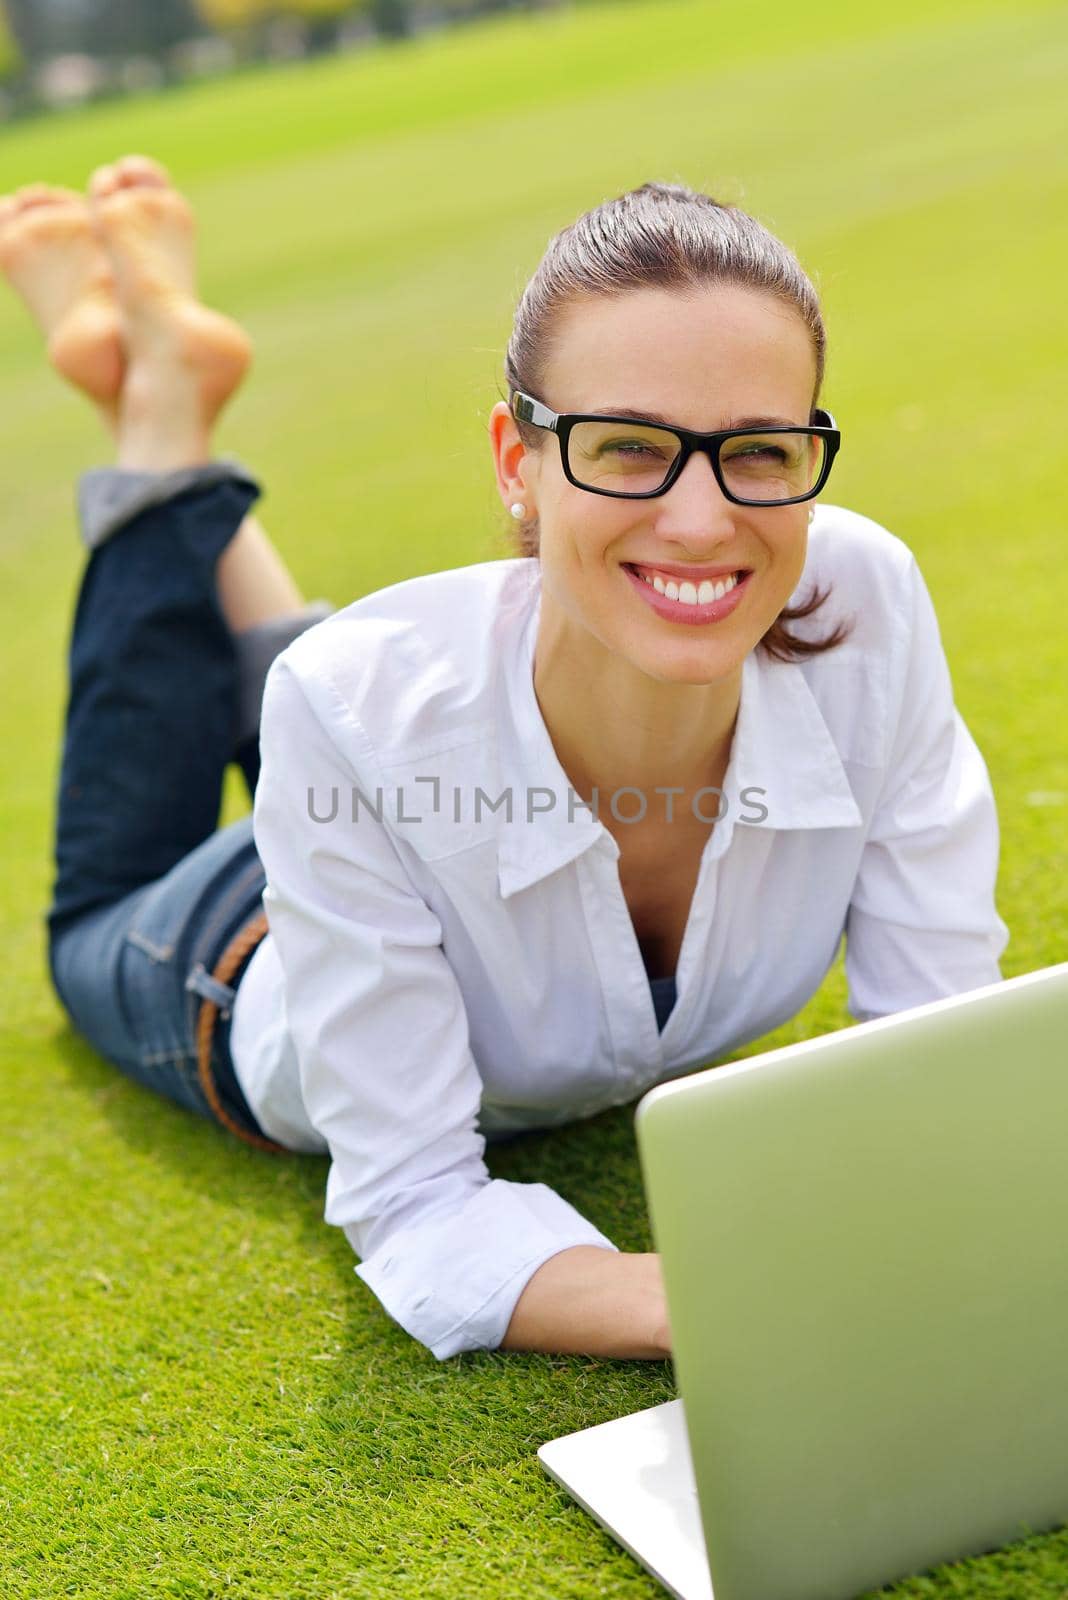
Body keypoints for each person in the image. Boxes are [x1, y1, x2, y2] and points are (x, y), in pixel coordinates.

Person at [2, 158, 1009, 1366]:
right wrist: (721, 1299)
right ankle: (161, 419)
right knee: (107, 901)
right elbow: (418, 1205)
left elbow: (940, 1062)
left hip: (385, 782)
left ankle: (170, 407)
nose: (701, 519)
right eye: (628, 447)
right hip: (236, 954)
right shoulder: (354, 707)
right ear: (514, 461)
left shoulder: (865, 607)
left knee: (367, 712)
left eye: (760, 451)